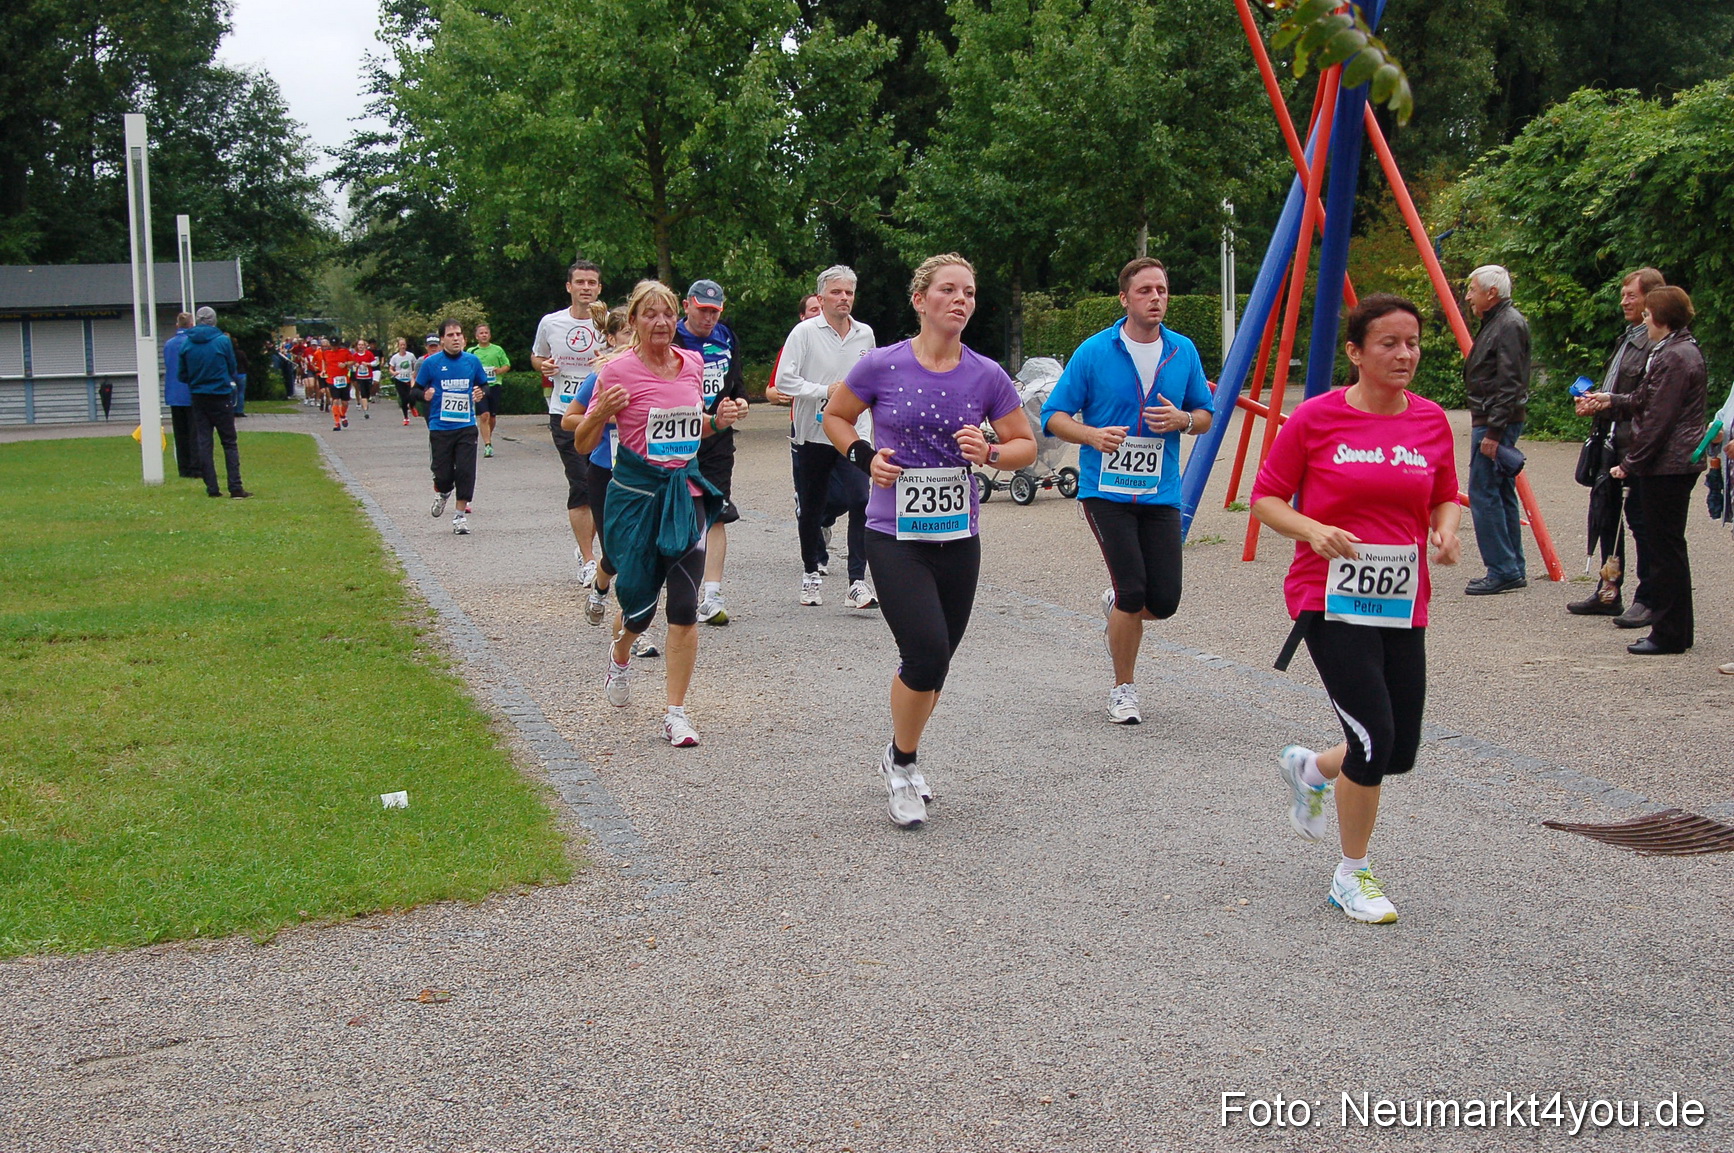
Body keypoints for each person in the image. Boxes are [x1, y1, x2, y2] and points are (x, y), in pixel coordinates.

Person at [1251, 294, 1459, 924]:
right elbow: (1265, 500)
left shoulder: (1430, 422)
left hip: (1401, 599)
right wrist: (1312, 530)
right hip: (1330, 596)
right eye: (1389, 343)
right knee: (1372, 740)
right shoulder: (1315, 420)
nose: (1404, 355)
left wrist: (1445, 531)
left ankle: (1312, 768)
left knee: (1398, 751)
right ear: (1355, 352)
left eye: (1413, 344)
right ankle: (1352, 875)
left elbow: (1445, 495)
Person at [822, 254, 1036, 827]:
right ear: (921, 300)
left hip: (958, 536)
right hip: (894, 534)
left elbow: (1025, 447)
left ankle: (899, 753)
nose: (961, 300)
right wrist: (867, 458)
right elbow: (835, 417)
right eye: (948, 290)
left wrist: (989, 452)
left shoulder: (986, 374)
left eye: (969, 291)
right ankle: (901, 766)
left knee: (938, 663)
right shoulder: (882, 364)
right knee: (924, 652)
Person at [1040, 256, 1215, 724]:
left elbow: (1206, 414)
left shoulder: (1183, 351)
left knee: (1164, 601)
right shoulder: (1095, 351)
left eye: (1161, 289)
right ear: (1124, 298)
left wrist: (1184, 420)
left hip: (1160, 491)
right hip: (1106, 491)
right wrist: (1091, 435)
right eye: (1145, 291)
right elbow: (1053, 416)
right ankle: (1123, 689)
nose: (1156, 297)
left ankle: (1118, 606)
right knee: (1134, 589)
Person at [573, 280, 747, 747]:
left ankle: (676, 712)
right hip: (635, 498)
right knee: (638, 605)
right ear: (633, 322)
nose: (661, 322)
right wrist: (598, 414)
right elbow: (583, 443)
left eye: (668, 313)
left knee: (685, 608)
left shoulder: (692, 363)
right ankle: (621, 653)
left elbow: (696, 429)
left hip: (684, 493)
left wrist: (718, 421)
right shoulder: (616, 372)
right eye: (650, 314)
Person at [1576, 286, 1707, 655]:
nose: (1645, 320)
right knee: (1667, 547)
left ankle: (1668, 632)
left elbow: (1659, 419)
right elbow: (1643, 399)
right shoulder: (1671, 350)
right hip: (1669, 462)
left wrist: (1630, 463)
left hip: (1670, 465)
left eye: (1649, 314)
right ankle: (1676, 630)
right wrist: (1611, 400)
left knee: (1664, 549)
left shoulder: (1675, 355)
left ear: (1661, 318)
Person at [774, 266, 879, 610]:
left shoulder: (865, 334)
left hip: (853, 432)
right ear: (821, 298)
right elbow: (784, 381)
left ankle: (856, 582)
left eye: (849, 292)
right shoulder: (804, 333)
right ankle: (810, 574)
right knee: (813, 506)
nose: (844, 298)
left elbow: (873, 380)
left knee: (860, 498)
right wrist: (825, 390)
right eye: (836, 292)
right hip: (813, 433)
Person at [1570, 267, 1666, 623]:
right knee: (1606, 516)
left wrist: (1608, 402)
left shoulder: (1654, 344)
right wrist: (1595, 402)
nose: (1624, 301)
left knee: (1640, 522)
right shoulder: (1628, 337)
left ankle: (1648, 597)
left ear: (1651, 300)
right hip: (1610, 439)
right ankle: (1608, 589)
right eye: (1623, 294)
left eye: (1632, 295)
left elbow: (1643, 399)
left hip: (1634, 444)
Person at [564, 308, 658, 657]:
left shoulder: (658, 374)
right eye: (624, 336)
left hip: (648, 475)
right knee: (618, 554)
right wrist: (601, 414)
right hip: (608, 475)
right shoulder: (602, 375)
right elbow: (569, 420)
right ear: (611, 338)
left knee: (643, 555)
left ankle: (636, 628)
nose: (631, 343)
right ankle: (601, 587)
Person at [675, 279, 750, 625]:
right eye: (702, 311)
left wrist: (740, 400)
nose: (708, 318)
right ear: (687, 305)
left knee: (718, 510)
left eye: (714, 312)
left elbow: (734, 381)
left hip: (718, 436)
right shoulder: (671, 337)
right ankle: (676, 588)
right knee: (679, 511)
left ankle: (712, 595)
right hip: (678, 435)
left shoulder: (727, 336)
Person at [531, 260, 605, 585]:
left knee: (602, 483)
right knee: (581, 483)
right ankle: (589, 559)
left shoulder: (607, 323)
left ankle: (589, 546)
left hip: (602, 415)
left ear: (599, 288)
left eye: (592, 282)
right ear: (569, 287)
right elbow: (536, 355)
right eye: (580, 282)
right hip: (565, 414)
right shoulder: (551, 322)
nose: (586, 287)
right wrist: (543, 365)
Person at [1462, 264, 1531, 595]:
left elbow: (1510, 382)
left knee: (1484, 492)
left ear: (1492, 293)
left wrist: (1494, 433)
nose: (1468, 296)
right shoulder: (1501, 322)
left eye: (1473, 289)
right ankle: (1511, 565)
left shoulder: (1506, 325)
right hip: (1496, 417)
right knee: (1500, 491)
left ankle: (1502, 567)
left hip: (1494, 420)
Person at [417, 318, 491, 535]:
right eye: (450, 335)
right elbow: (415, 390)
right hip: (440, 426)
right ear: (442, 340)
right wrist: (425, 394)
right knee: (443, 474)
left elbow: (484, 385)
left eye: (458, 334)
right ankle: (442, 490)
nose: (455, 338)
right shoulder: (431, 363)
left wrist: (480, 392)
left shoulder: (472, 361)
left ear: (464, 338)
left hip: (466, 425)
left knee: (466, 471)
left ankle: (459, 517)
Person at [177, 306, 252, 499]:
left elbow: (182, 374)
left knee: (204, 441)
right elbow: (232, 367)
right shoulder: (222, 341)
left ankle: (212, 487)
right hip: (220, 395)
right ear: (214, 320)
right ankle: (235, 486)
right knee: (229, 441)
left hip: (198, 396)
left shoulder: (187, 343)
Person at [162, 312, 198, 478]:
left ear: (177, 325)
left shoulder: (169, 344)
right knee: (194, 432)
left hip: (173, 393)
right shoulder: (192, 343)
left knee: (180, 433)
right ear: (191, 325)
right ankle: (195, 467)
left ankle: (183, 468)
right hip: (190, 392)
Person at [470, 322, 511, 456]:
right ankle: (487, 444)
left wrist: (498, 370)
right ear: (476, 336)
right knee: (484, 415)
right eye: (481, 333)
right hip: (479, 387)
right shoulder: (471, 351)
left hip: (495, 385)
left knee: (492, 417)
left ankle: (488, 435)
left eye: (486, 333)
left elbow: (507, 365)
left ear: (490, 335)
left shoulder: (497, 350)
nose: (484, 335)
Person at [323, 336, 353, 430]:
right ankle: (337, 423)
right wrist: (324, 370)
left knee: (345, 402)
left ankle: (342, 415)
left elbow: (352, 361)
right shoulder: (326, 353)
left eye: (335, 346)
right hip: (332, 379)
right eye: (332, 346)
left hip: (344, 380)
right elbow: (324, 361)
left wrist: (345, 364)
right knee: (335, 400)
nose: (334, 348)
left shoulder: (345, 352)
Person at [388, 336, 418, 425]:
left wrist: (414, 373)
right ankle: (406, 418)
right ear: (398, 346)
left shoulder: (411, 355)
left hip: (409, 379)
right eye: (401, 345)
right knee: (404, 398)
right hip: (399, 380)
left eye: (404, 345)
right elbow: (390, 368)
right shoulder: (395, 357)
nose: (403, 347)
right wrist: (393, 373)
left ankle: (412, 406)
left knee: (412, 395)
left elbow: (415, 365)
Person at [347, 337, 378, 420]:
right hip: (359, 377)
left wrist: (368, 364)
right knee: (363, 392)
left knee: (367, 393)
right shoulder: (355, 355)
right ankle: (365, 411)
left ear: (365, 346)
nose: (360, 346)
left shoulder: (369, 354)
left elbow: (375, 362)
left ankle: (366, 403)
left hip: (368, 376)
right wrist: (355, 365)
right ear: (357, 346)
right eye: (359, 345)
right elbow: (350, 364)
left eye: (362, 345)